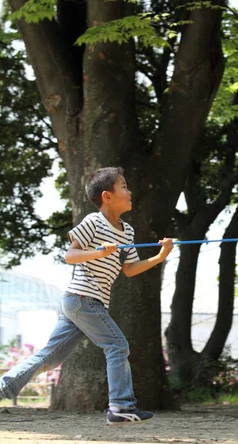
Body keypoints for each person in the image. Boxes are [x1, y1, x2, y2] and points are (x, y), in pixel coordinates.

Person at [0, 167, 174, 425]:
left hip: (83, 303)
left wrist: (160, 257)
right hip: (82, 298)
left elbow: (129, 269)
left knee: (51, 356)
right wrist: (98, 253)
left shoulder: (127, 232)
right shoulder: (94, 222)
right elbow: (70, 255)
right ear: (108, 196)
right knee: (117, 345)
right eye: (124, 186)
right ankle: (121, 406)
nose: (129, 192)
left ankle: (3, 389)